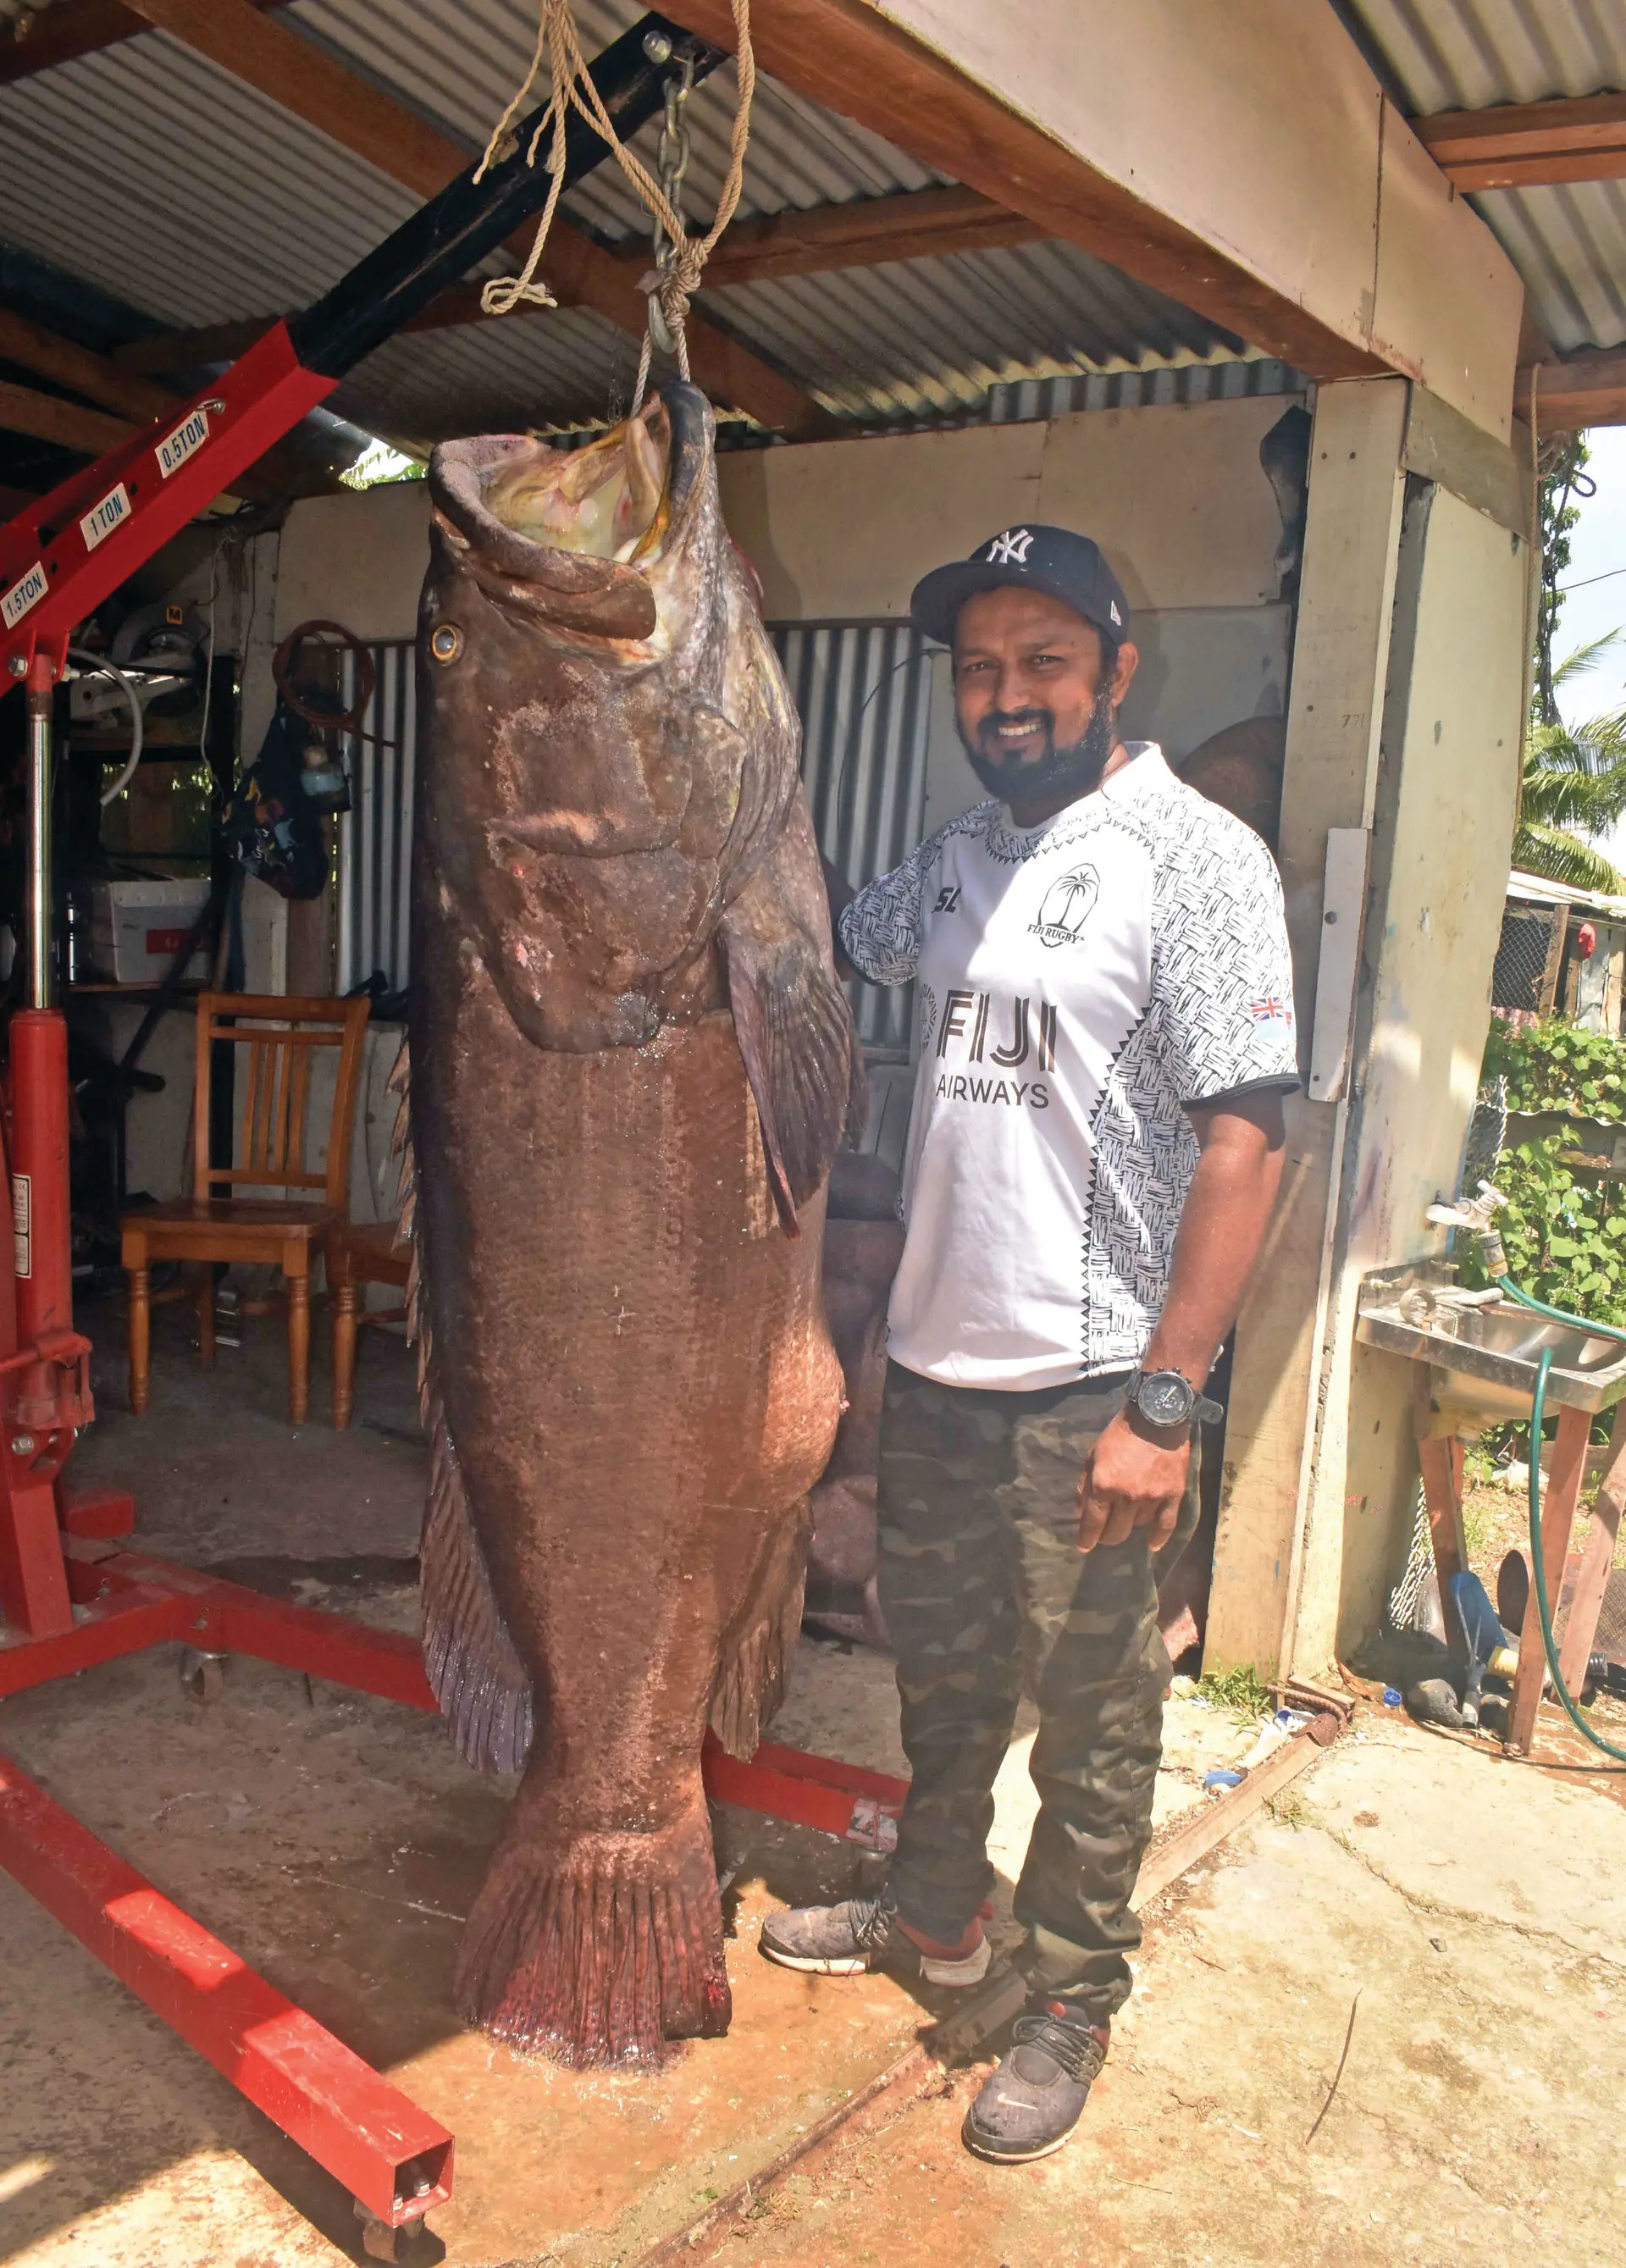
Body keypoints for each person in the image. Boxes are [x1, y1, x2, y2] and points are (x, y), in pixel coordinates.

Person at [760, 525, 1297, 2164]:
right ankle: (936, 1908)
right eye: (980, 667)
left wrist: (1165, 1398)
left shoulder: (1196, 860)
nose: (1007, 695)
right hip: (935, 1366)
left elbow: (1248, 1141)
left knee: (1092, 1705)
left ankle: (1070, 1988)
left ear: (1115, 674)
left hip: (1092, 1388)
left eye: (1042, 662)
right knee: (943, 1666)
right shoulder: (952, 861)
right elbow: (811, 952)